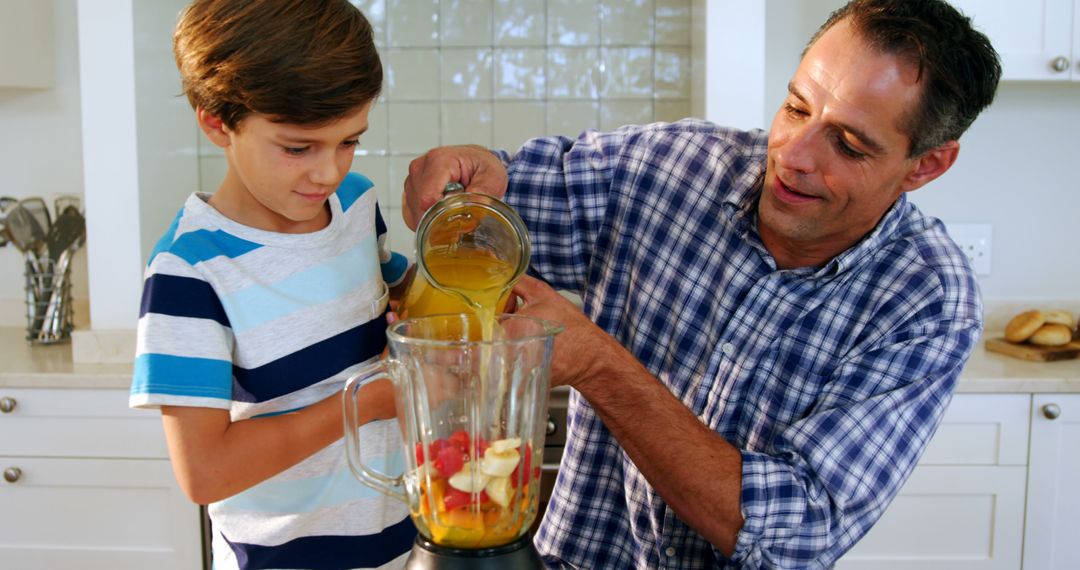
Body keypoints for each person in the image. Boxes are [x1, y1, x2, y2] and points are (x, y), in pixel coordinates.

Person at [400, 0, 1001, 567]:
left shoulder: (926, 301)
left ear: (925, 165)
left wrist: (600, 366)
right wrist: (463, 178)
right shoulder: (674, 166)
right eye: (795, 108)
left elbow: (793, 537)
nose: (794, 156)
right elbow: (484, 212)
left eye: (846, 144)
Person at [129, 1, 415, 568]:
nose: (328, 172)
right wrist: (372, 401)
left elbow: (395, 293)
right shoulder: (190, 273)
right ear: (217, 121)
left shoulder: (357, 204)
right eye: (297, 147)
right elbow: (206, 472)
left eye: (348, 141)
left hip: (399, 547)